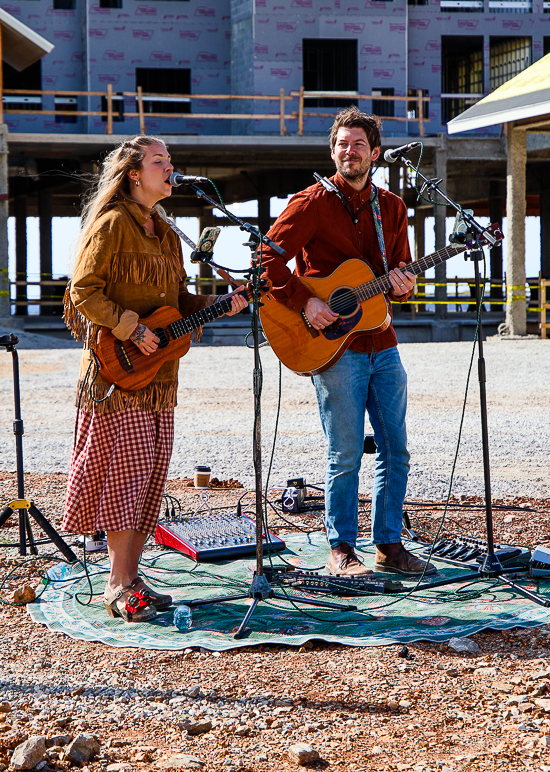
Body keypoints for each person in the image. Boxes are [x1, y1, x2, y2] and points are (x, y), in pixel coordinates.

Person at [62, 135, 247, 622]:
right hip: (116, 378)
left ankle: (130, 576)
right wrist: (132, 327)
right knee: (123, 482)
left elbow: (178, 303)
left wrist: (218, 304)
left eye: (171, 161)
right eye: (159, 161)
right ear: (132, 174)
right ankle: (117, 582)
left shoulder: (164, 230)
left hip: (159, 378)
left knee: (146, 481)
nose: (171, 168)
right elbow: (84, 292)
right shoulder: (111, 224)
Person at [261, 106, 434, 578]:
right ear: (332, 150)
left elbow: (402, 272)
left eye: (358, 144)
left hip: (383, 341)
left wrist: (404, 284)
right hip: (333, 347)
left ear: (374, 153)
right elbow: (267, 260)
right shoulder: (310, 202)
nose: (349, 151)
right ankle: (341, 548)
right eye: (341, 144)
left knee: (396, 448)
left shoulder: (392, 208)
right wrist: (306, 304)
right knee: (345, 452)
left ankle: (389, 545)